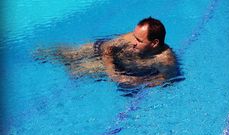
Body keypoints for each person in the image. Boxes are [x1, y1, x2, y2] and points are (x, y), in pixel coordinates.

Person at [35, 17, 179, 87]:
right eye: (134, 36)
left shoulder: (166, 60)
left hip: (122, 65)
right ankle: (40, 52)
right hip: (101, 49)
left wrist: (135, 81)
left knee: (76, 71)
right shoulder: (129, 39)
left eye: (139, 41)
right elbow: (107, 49)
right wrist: (112, 72)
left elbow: (165, 79)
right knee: (68, 54)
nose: (132, 42)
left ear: (154, 43)